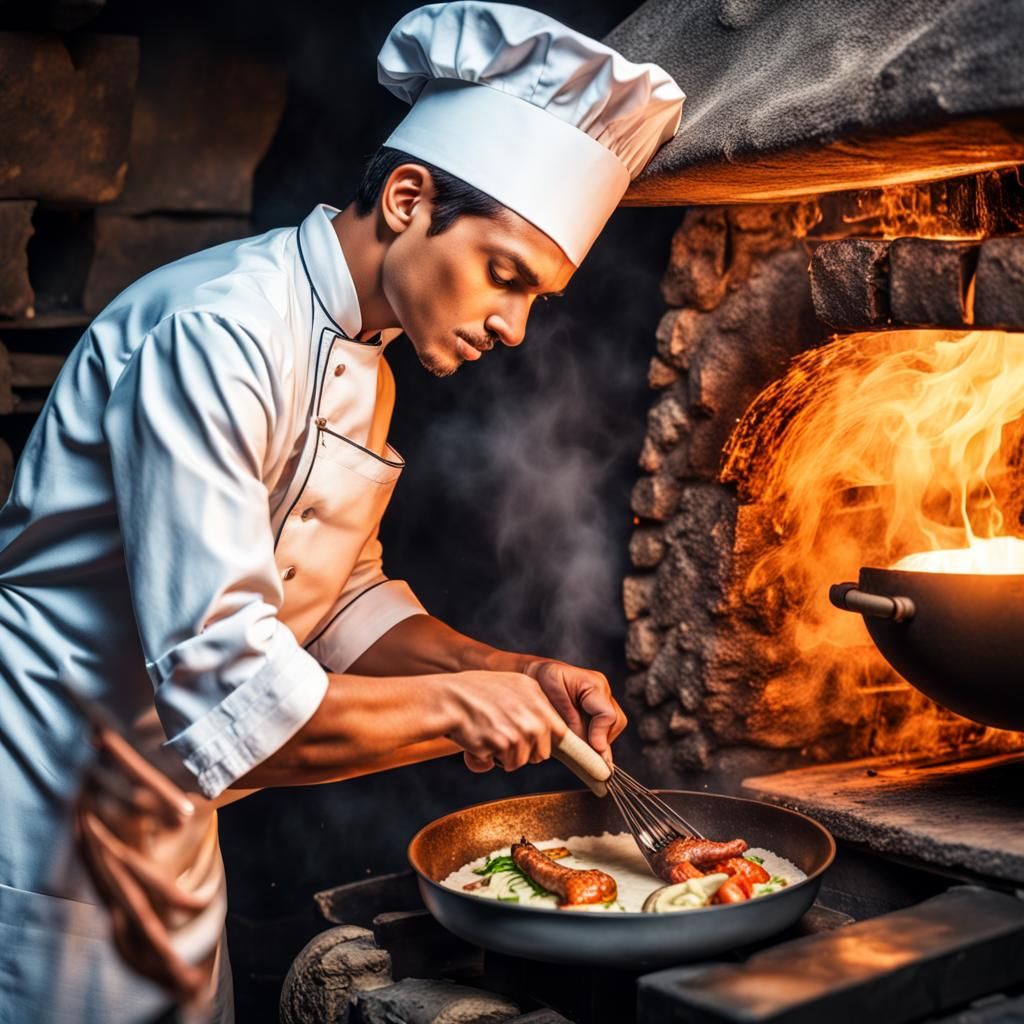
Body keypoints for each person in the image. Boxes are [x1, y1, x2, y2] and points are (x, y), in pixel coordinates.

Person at [0, 3, 684, 1020]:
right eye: (507, 277)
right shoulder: (217, 334)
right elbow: (232, 707)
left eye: (538, 298)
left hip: (171, 831)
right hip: (49, 814)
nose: (513, 325)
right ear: (408, 197)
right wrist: (458, 711)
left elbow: (338, 602)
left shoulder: (368, 360)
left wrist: (501, 670)